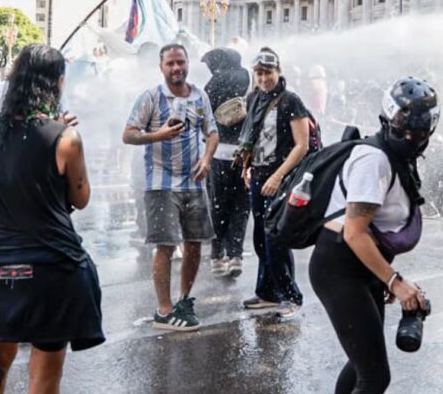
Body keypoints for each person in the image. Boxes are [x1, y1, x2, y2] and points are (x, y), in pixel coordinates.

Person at [0, 45, 103, 394]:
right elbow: (80, 199)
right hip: (51, 264)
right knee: (44, 377)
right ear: (57, 83)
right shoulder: (65, 138)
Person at [311, 77, 436, 394]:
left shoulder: (398, 156)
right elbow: (354, 233)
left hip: (361, 267)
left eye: (418, 134)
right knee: (374, 377)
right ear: (387, 121)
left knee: (361, 363)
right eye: (403, 130)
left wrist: (381, 276)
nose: (410, 138)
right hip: (339, 268)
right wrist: (395, 281)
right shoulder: (374, 160)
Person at [122, 43, 219, 332]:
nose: (176, 68)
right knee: (165, 245)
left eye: (181, 62)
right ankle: (164, 311)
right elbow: (128, 135)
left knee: (194, 242)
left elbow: (212, 132)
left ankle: (184, 300)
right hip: (160, 185)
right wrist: (158, 134)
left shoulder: (200, 96)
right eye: (170, 64)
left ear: (187, 64)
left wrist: (207, 158)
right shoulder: (150, 97)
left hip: (194, 182)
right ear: (161, 67)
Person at [237, 48, 310, 316]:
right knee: (259, 236)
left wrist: (277, 176)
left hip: (280, 177)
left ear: (278, 72)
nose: (264, 78)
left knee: (275, 237)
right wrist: (246, 167)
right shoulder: (255, 97)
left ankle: (290, 296)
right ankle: (267, 291)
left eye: (268, 72)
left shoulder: (291, 101)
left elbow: (301, 146)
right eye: (259, 73)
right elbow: (252, 136)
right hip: (257, 174)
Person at [201, 47, 251, 279]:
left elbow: (204, 119)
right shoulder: (247, 78)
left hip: (219, 153)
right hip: (244, 154)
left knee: (218, 206)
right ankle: (236, 255)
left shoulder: (212, 85)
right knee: (240, 206)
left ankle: (216, 255)